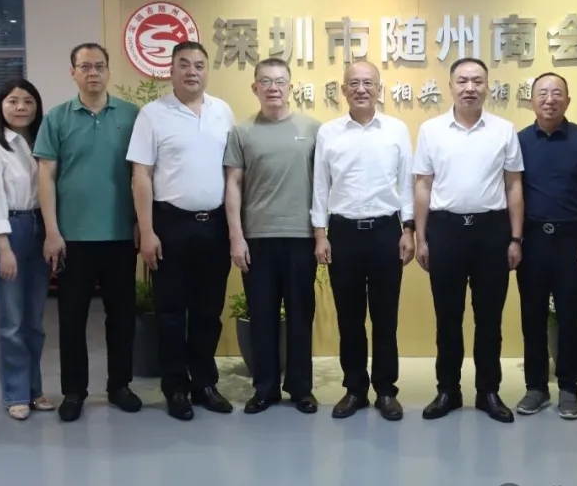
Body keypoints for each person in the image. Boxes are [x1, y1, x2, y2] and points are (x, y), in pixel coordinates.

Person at [128, 41, 235, 421]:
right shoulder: (153, 114)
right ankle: (175, 387)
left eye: (199, 65)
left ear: (207, 71)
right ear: (171, 71)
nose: (192, 71)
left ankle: (205, 383)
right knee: (171, 313)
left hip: (215, 225)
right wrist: (147, 230)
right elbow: (141, 175)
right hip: (170, 224)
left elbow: (232, 173)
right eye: (184, 65)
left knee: (209, 312)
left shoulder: (222, 111)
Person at [34, 43, 141, 422]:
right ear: (73, 73)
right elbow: (46, 176)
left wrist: (142, 224)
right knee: (72, 318)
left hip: (120, 235)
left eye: (99, 66)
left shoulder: (131, 116)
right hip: (73, 238)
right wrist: (52, 231)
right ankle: (74, 391)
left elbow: (142, 174)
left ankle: (119, 385)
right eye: (85, 67)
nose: (92, 72)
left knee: (122, 317)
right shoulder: (57, 118)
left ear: (109, 71)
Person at [414, 57, 524, 423]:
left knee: (489, 319)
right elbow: (423, 185)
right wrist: (421, 238)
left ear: (487, 86)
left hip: (491, 232)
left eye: (477, 81)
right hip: (445, 231)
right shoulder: (431, 130)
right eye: (462, 81)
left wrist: (515, 238)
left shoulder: (503, 130)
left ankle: (488, 391)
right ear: (450, 86)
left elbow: (513, 186)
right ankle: (448, 390)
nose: (470, 88)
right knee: (447, 318)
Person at [311, 61, 414, 421]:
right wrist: (320, 233)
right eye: (353, 83)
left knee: (386, 318)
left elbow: (406, 184)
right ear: (343, 90)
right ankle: (354, 389)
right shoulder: (328, 133)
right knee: (350, 319)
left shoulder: (397, 130)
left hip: (387, 232)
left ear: (379, 88)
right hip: (343, 234)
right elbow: (320, 186)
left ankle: (386, 390)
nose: (361, 89)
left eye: (368, 83)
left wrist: (408, 230)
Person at [224, 57, 322, 414]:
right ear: (255, 88)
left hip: (301, 237)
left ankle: (300, 388)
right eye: (265, 81)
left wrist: (321, 234)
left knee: (300, 315)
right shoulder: (242, 131)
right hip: (257, 239)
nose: (273, 88)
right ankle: (264, 389)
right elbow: (233, 185)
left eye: (280, 81)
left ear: (291, 87)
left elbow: (323, 185)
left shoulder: (313, 129)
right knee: (262, 315)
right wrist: (236, 237)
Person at [514, 72, 577, 420]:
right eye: (542, 93)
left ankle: (569, 388)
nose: (550, 99)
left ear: (568, 100)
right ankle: (536, 388)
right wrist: (515, 239)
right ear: (532, 100)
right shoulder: (520, 141)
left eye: (557, 93)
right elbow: (512, 190)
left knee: (569, 316)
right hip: (533, 239)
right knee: (532, 317)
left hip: (572, 238)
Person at [0, 78, 55, 421]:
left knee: (34, 320)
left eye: (28, 101)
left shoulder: (41, 142)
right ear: (1, 106)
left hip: (41, 228)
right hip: (11, 230)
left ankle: (34, 390)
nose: (21, 107)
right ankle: (15, 394)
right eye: (13, 101)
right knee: (12, 320)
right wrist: (3, 247)